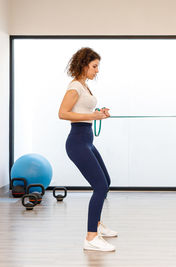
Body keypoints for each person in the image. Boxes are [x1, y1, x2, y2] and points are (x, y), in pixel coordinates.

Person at [58, 47, 117, 252]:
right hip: (77, 142)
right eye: (94, 66)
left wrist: (99, 112)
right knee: (100, 186)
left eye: (97, 66)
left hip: (86, 140)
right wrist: (93, 116)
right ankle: (91, 237)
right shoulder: (75, 86)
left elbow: (83, 110)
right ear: (84, 65)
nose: (97, 70)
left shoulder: (84, 85)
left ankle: (97, 225)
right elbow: (63, 114)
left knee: (106, 182)